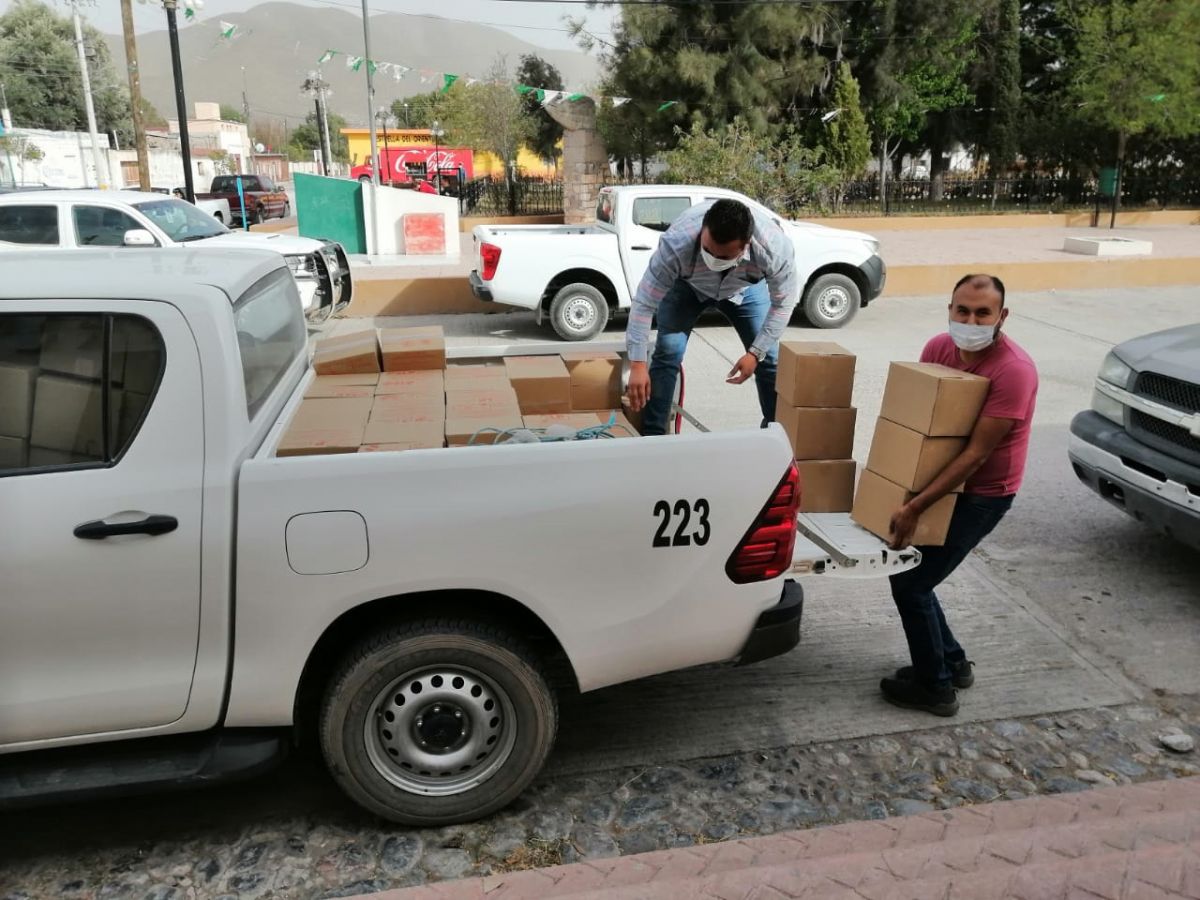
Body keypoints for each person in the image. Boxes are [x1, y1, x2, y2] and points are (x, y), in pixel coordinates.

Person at [881, 273, 1039, 717]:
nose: (970, 320)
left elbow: (974, 454)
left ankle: (936, 688)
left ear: (1001, 316)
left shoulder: (1014, 371)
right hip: (942, 481)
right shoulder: (938, 349)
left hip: (984, 492)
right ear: (949, 309)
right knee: (914, 576)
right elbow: (923, 425)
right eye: (962, 310)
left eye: (982, 312)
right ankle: (950, 661)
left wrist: (914, 508)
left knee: (912, 583)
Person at [625, 199, 799, 435]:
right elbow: (644, 303)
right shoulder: (677, 243)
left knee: (769, 360)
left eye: (724, 256)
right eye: (707, 250)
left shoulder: (774, 249)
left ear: (746, 245)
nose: (714, 259)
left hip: (743, 289)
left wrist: (755, 352)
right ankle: (653, 437)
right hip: (686, 286)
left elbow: (783, 304)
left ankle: (775, 434)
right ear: (703, 230)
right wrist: (637, 364)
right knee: (668, 354)